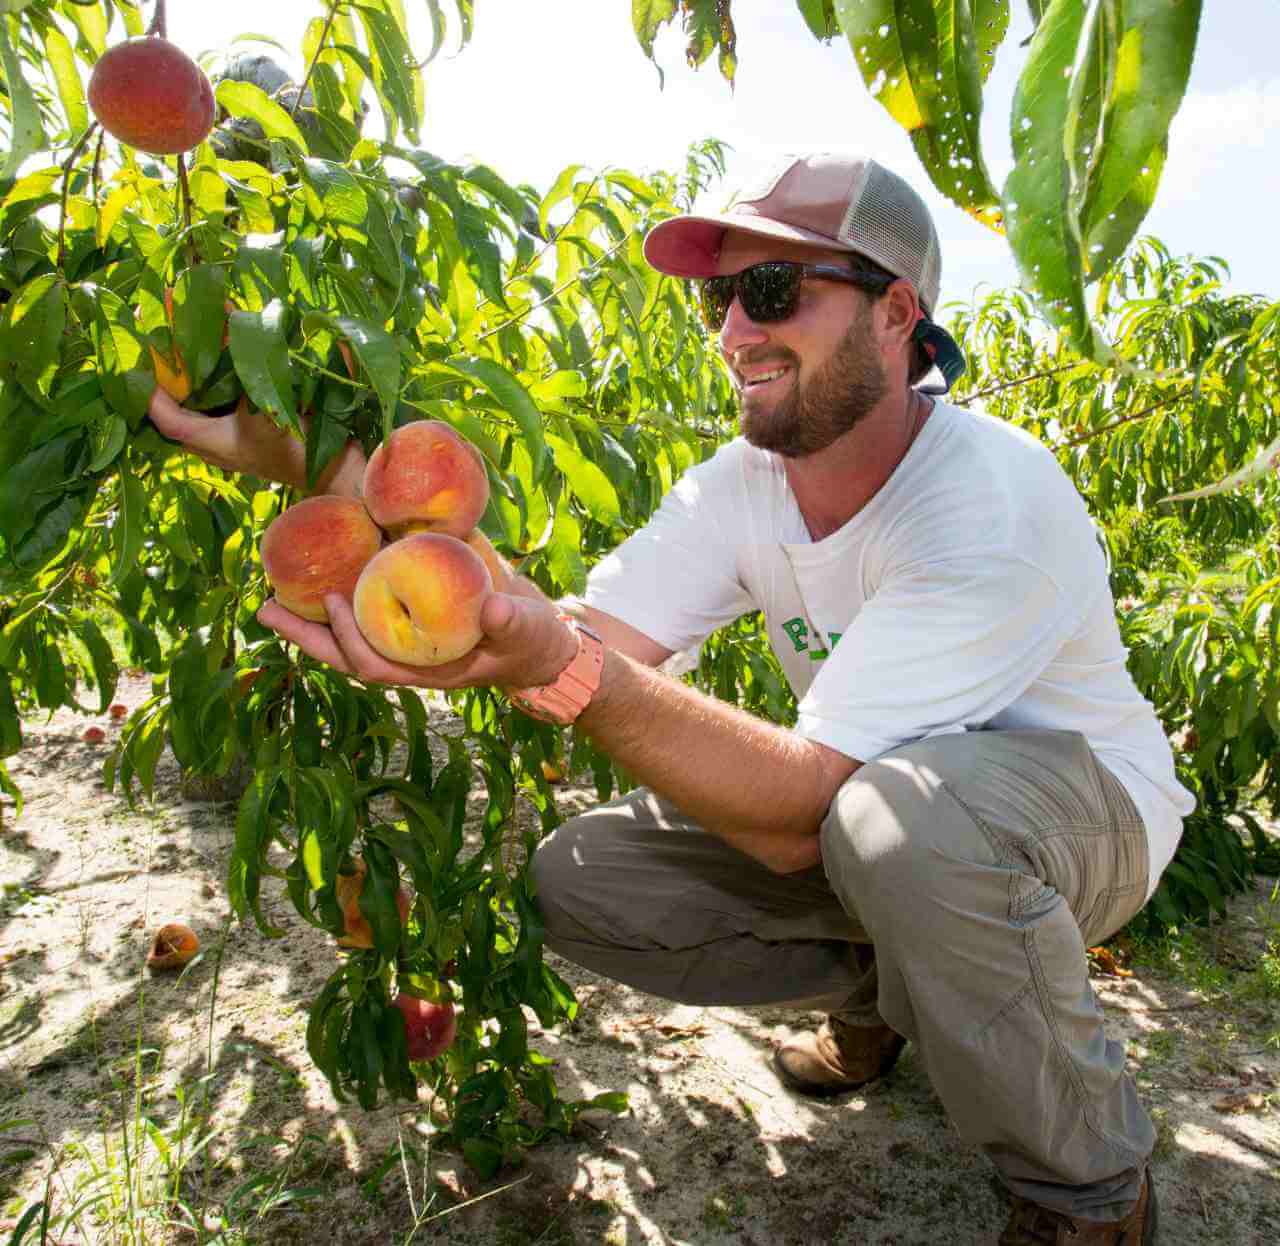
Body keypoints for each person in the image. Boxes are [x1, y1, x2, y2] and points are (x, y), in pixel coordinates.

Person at [149, 153, 1193, 1245]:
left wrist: (560, 666)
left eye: (772, 290)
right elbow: (573, 632)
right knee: (585, 878)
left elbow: (792, 810)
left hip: (1083, 822)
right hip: (882, 822)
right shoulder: (744, 483)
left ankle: (1087, 1193)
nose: (734, 330)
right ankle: (893, 994)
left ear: (896, 314)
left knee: (901, 825)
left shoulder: (986, 502)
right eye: (718, 298)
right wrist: (323, 470)